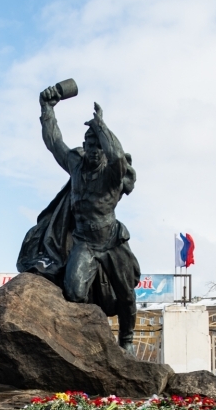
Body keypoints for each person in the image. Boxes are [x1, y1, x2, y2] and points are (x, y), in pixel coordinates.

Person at [16, 87, 141, 353]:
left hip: (111, 240)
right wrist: (47, 109)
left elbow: (118, 156)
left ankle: (127, 340)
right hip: (84, 242)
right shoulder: (76, 165)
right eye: (89, 144)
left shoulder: (112, 173)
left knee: (126, 294)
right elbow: (54, 143)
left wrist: (101, 126)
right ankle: (89, 339)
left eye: (98, 145)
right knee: (73, 293)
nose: (94, 150)